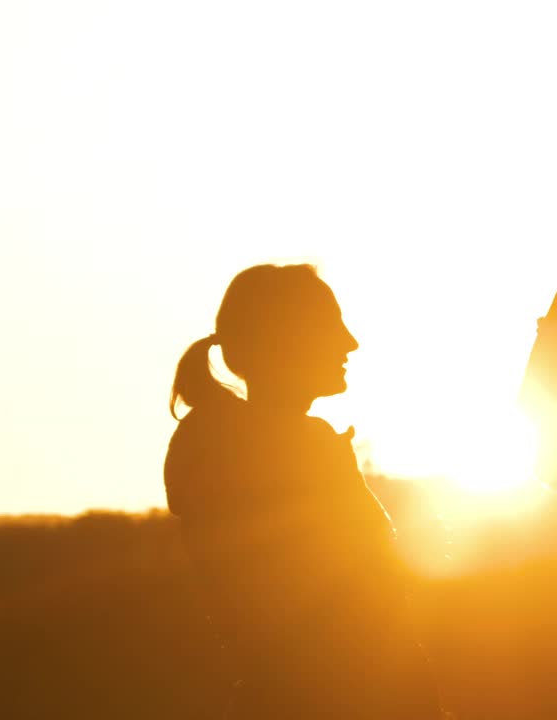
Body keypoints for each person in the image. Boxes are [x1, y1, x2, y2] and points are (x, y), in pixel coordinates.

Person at [163, 264, 440, 719]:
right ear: (284, 341)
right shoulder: (300, 451)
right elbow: (362, 594)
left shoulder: (221, 451)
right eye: (330, 325)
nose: (350, 342)